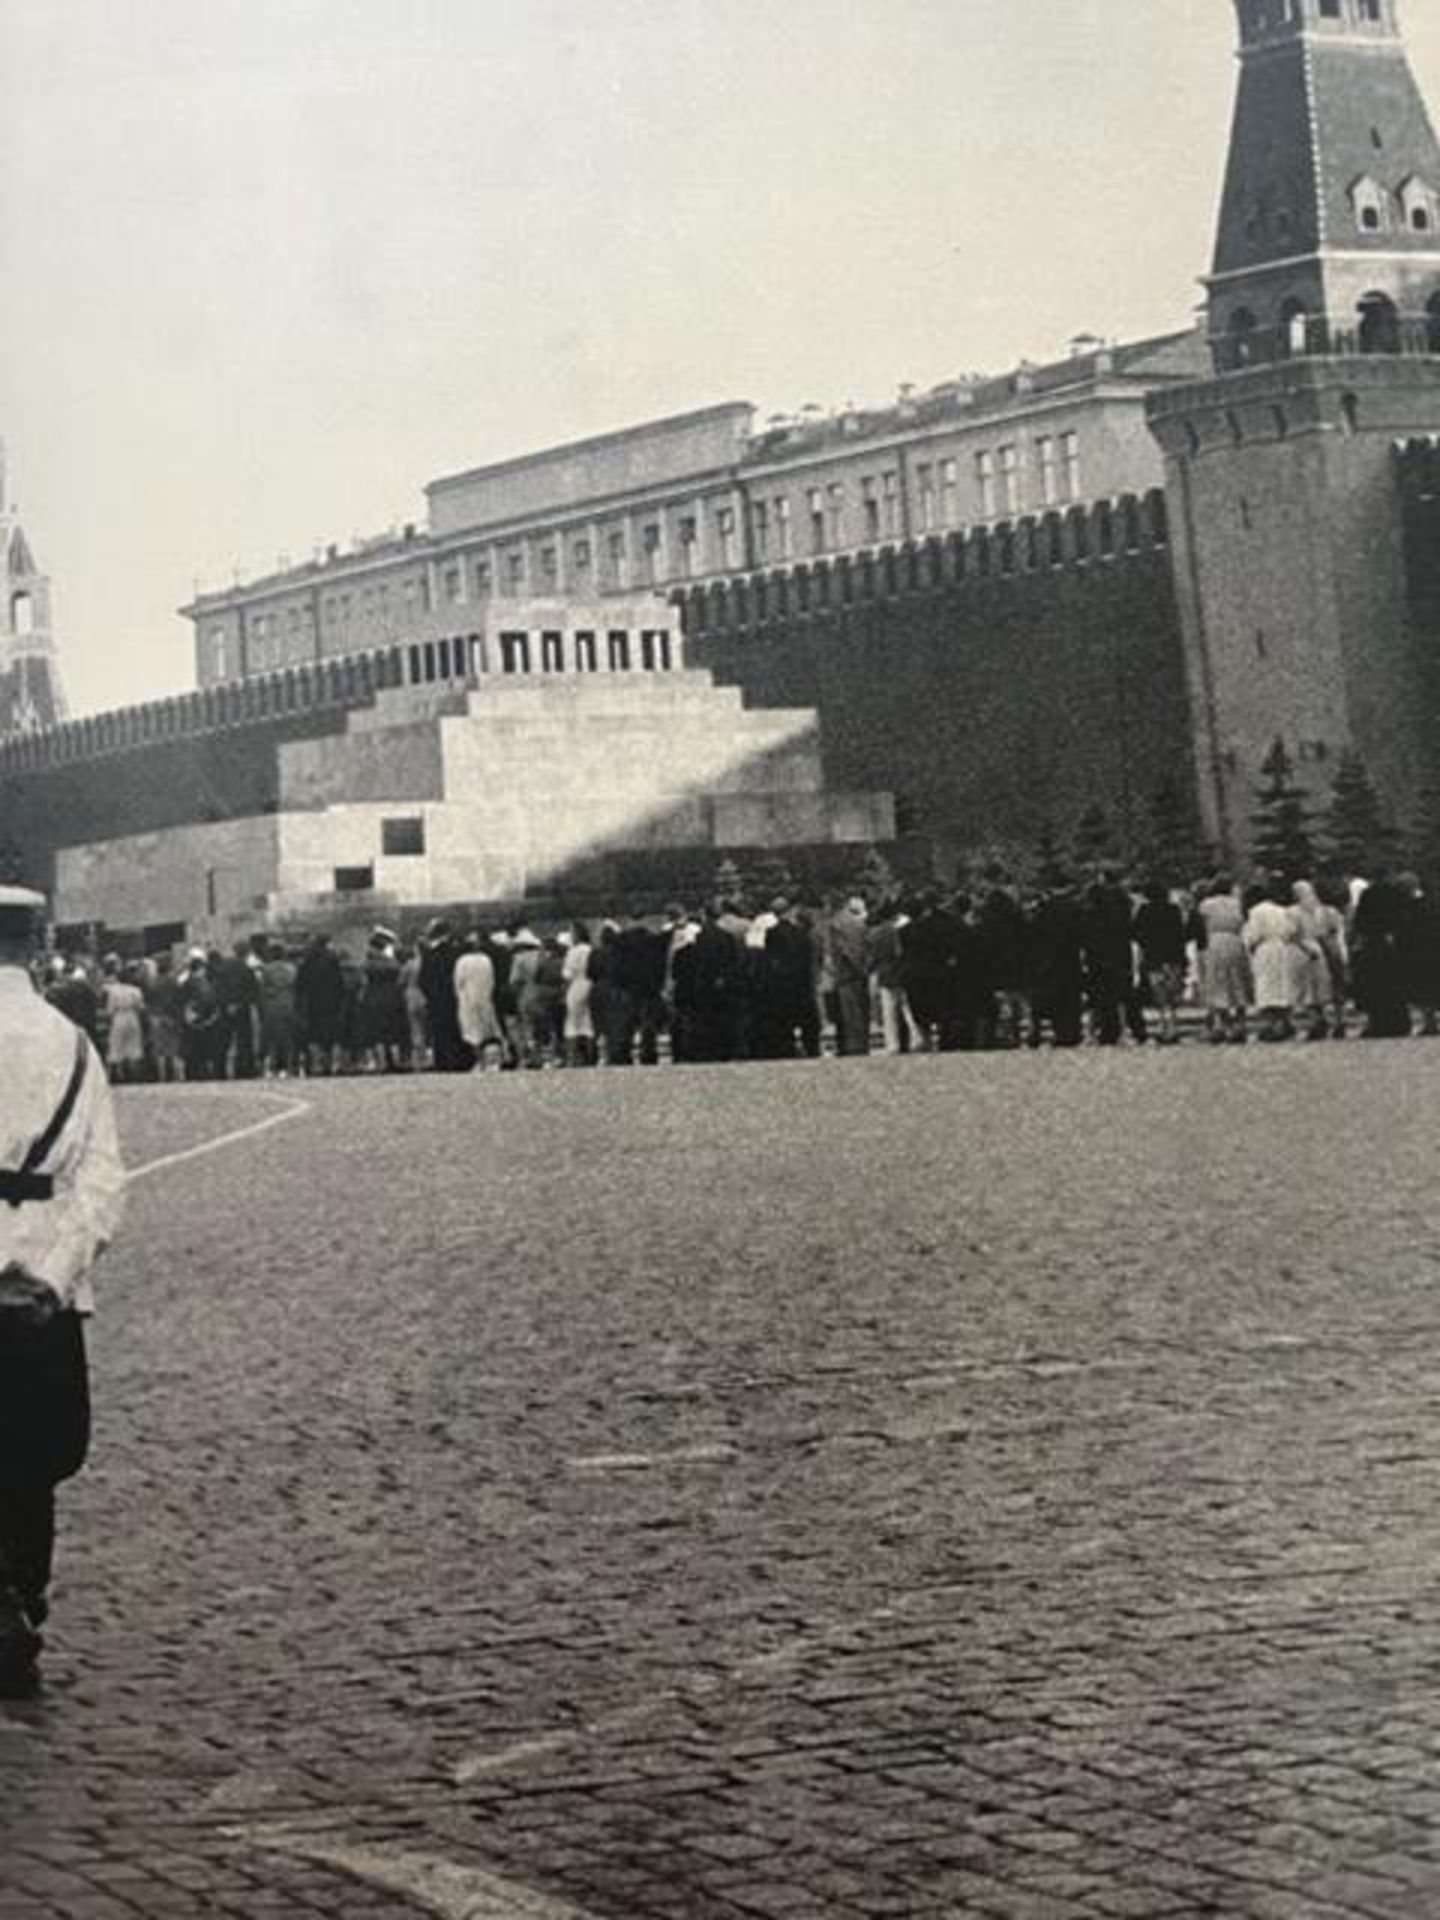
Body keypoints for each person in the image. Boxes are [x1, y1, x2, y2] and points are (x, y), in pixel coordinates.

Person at [0, 886, 126, 1691]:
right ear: (34, 942)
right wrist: (51, 1271)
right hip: (45, 1287)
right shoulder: (73, 1043)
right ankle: (25, 1598)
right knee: (35, 1452)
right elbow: (102, 1179)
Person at [1244, 875, 1303, 1042]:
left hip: (1265, 949)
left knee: (1267, 986)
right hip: (1281, 948)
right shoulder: (1280, 910)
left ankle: (1271, 1025)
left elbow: (1253, 936)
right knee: (1282, 985)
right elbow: (1291, 930)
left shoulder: (1255, 912)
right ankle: (1284, 1022)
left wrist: (1251, 946)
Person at [1196, 877, 1251, 1044]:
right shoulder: (1238, 903)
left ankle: (1223, 1025)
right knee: (1238, 982)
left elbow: (1201, 925)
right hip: (1235, 940)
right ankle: (1240, 1024)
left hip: (1215, 941)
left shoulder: (1206, 904)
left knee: (1218, 982)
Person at [1132, 881, 1188, 1046]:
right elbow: (1180, 933)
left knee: (1160, 994)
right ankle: (1174, 1025)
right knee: (1172, 993)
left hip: (1154, 957)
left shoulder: (1144, 911)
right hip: (1173, 956)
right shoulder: (1174, 910)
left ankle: (1164, 1025)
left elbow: (1137, 933)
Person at [562, 923, 597, 1067]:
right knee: (588, 1023)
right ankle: (591, 1056)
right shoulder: (591, 950)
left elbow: (566, 974)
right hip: (590, 984)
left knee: (572, 1024)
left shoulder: (573, 951)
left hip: (576, 986)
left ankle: (572, 1057)